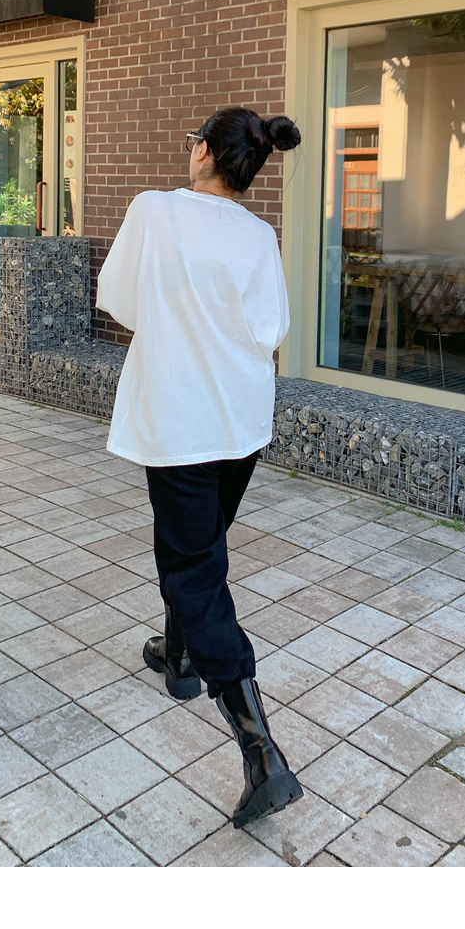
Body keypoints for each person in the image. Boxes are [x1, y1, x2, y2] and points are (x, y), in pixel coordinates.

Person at [96, 107, 302, 828]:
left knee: (194, 569)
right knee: (199, 543)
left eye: (193, 142)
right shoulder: (258, 234)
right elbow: (271, 328)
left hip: (182, 417)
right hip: (240, 419)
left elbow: (119, 299)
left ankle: (262, 753)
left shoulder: (155, 210)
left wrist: (176, 316)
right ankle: (179, 658)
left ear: (206, 151)